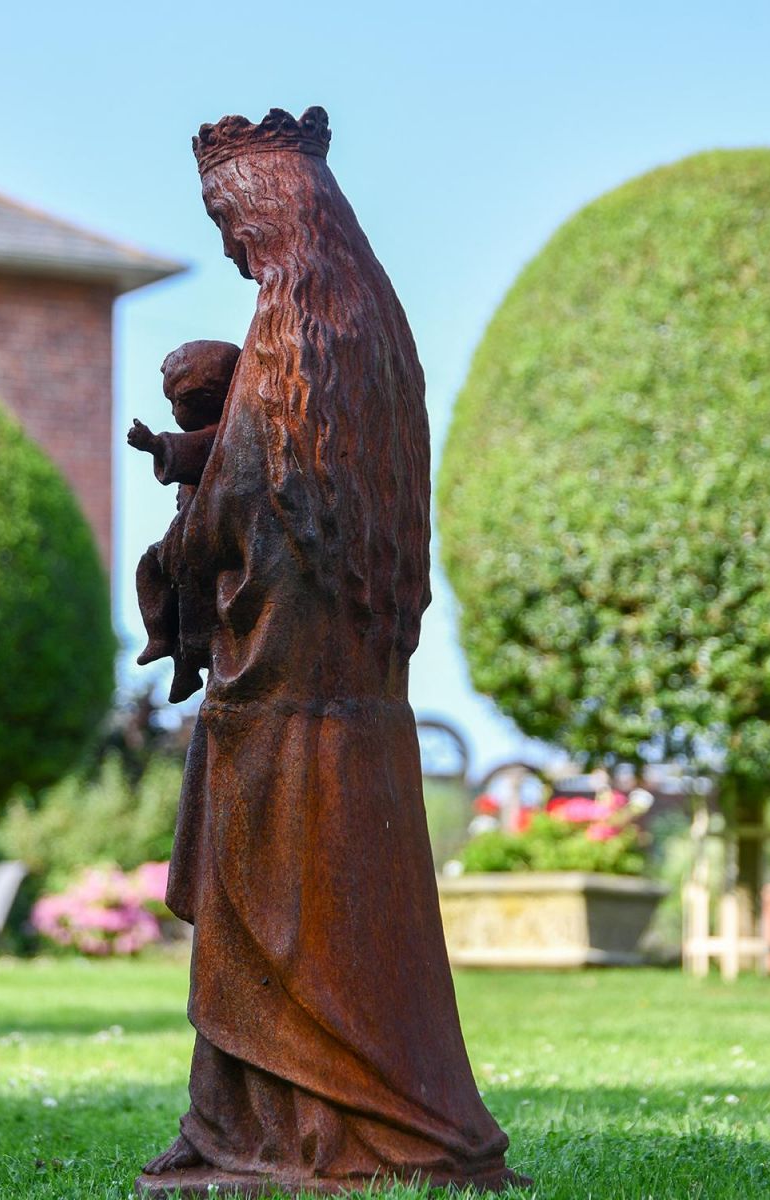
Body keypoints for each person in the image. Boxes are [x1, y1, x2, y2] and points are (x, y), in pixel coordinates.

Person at [139, 108, 522, 1192]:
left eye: (231, 222)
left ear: (271, 213)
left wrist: (182, 544)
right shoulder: (374, 335)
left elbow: (242, 500)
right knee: (329, 919)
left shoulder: (287, 334)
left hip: (281, 692)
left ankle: (303, 1129)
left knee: (268, 914)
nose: (228, 248)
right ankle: (270, 1121)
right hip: (353, 692)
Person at [127, 339, 240, 703]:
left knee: (192, 600)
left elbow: (189, 451)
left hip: (197, 540)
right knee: (149, 567)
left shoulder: (221, 437)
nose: (176, 413)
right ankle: (160, 637)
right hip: (181, 535)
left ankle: (186, 666)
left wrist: (154, 445)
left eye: (182, 403)